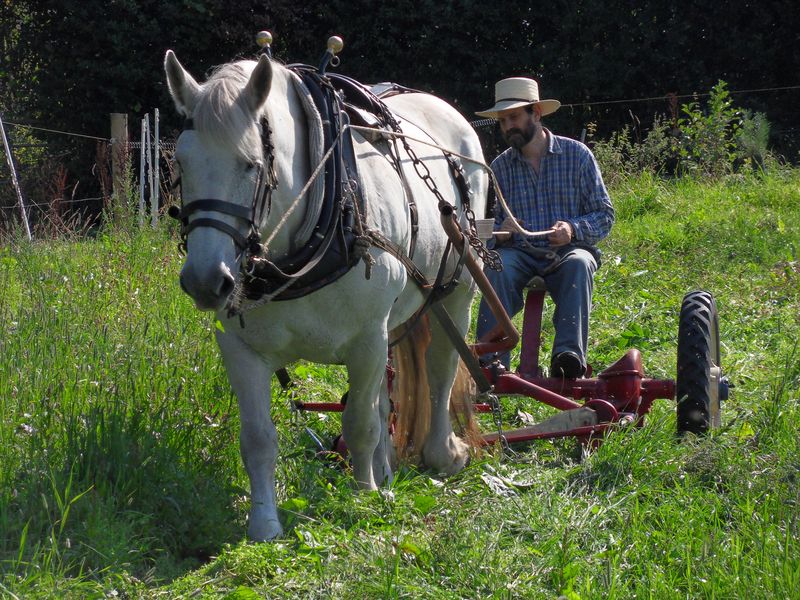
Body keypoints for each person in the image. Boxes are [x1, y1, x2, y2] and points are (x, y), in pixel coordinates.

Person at [475, 77, 614, 377]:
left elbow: (604, 215)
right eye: (502, 121)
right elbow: (479, 230)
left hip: (568, 250)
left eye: (513, 117)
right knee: (497, 266)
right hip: (519, 252)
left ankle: (567, 358)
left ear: (536, 113)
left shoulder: (577, 156)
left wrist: (573, 230)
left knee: (579, 263)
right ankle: (490, 362)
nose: (507, 126)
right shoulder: (498, 167)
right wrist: (502, 228)